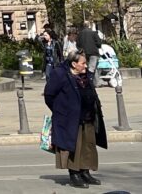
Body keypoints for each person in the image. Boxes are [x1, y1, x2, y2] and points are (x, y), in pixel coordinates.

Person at [44, 51, 107, 189]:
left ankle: (85, 172)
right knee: (74, 147)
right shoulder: (60, 74)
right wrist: (61, 111)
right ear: (74, 64)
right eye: (83, 63)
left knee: (88, 145)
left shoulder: (84, 74)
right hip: (70, 118)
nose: (86, 66)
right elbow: (49, 95)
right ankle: (74, 175)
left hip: (88, 116)